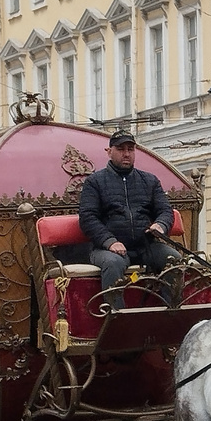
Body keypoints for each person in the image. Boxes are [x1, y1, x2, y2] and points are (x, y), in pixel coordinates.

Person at [79, 129, 181, 308]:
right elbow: (88, 218)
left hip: (146, 246)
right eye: (121, 149)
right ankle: (117, 319)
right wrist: (110, 242)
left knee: (174, 259)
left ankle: (172, 313)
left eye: (130, 149)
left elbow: (165, 210)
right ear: (109, 151)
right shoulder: (94, 182)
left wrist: (161, 225)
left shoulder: (150, 180)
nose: (126, 154)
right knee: (113, 263)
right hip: (107, 250)